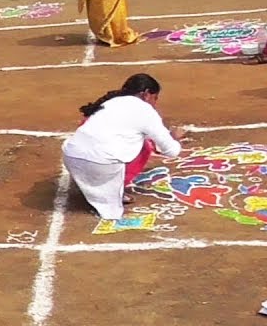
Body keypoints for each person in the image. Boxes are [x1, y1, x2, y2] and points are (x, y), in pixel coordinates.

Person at [62, 74, 183, 220]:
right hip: (100, 164)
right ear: (145, 94)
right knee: (144, 147)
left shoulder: (110, 102)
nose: (154, 103)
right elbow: (172, 151)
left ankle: (94, 188)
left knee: (132, 141)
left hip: (72, 158)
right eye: (154, 98)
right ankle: (113, 191)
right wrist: (173, 138)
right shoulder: (146, 111)